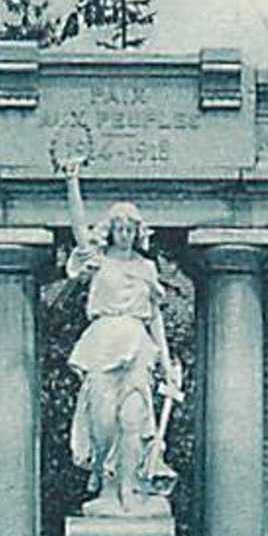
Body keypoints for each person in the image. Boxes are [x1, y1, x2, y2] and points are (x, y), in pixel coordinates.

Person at [61, 161, 182, 517]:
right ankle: (107, 487)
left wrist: (167, 363)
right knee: (103, 423)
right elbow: (79, 230)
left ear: (138, 232)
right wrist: (72, 181)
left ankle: (131, 489)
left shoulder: (146, 269)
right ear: (111, 231)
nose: (125, 233)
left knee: (133, 419)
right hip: (101, 344)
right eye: (120, 227)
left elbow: (155, 316)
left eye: (131, 228)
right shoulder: (97, 261)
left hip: (136, 345)